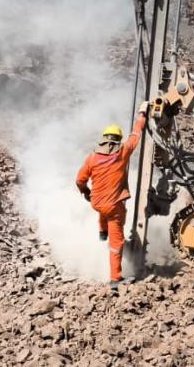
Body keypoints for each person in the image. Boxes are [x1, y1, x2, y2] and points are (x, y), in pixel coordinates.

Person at [76, 102, 148, 288]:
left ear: (104, 139)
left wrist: (86, 192)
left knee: (103, 209)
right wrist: (142, 114)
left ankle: (102, 231)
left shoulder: (92, 157)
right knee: (117, 242)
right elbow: (136, 135)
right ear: (117, 139)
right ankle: (115, 279)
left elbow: (79, 180)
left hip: (96, 202)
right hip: (114, 206)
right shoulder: (122, 152)